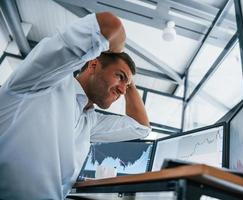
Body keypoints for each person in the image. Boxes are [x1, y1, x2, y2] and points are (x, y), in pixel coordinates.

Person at [0, 12, 150, 199]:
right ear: (93, 65)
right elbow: (108, 25)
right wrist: (118, 56)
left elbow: (141, 128)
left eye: (126, 87)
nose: (122, 90)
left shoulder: (90, 120)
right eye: (119, 76)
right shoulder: (45, 81)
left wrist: (130, 82)